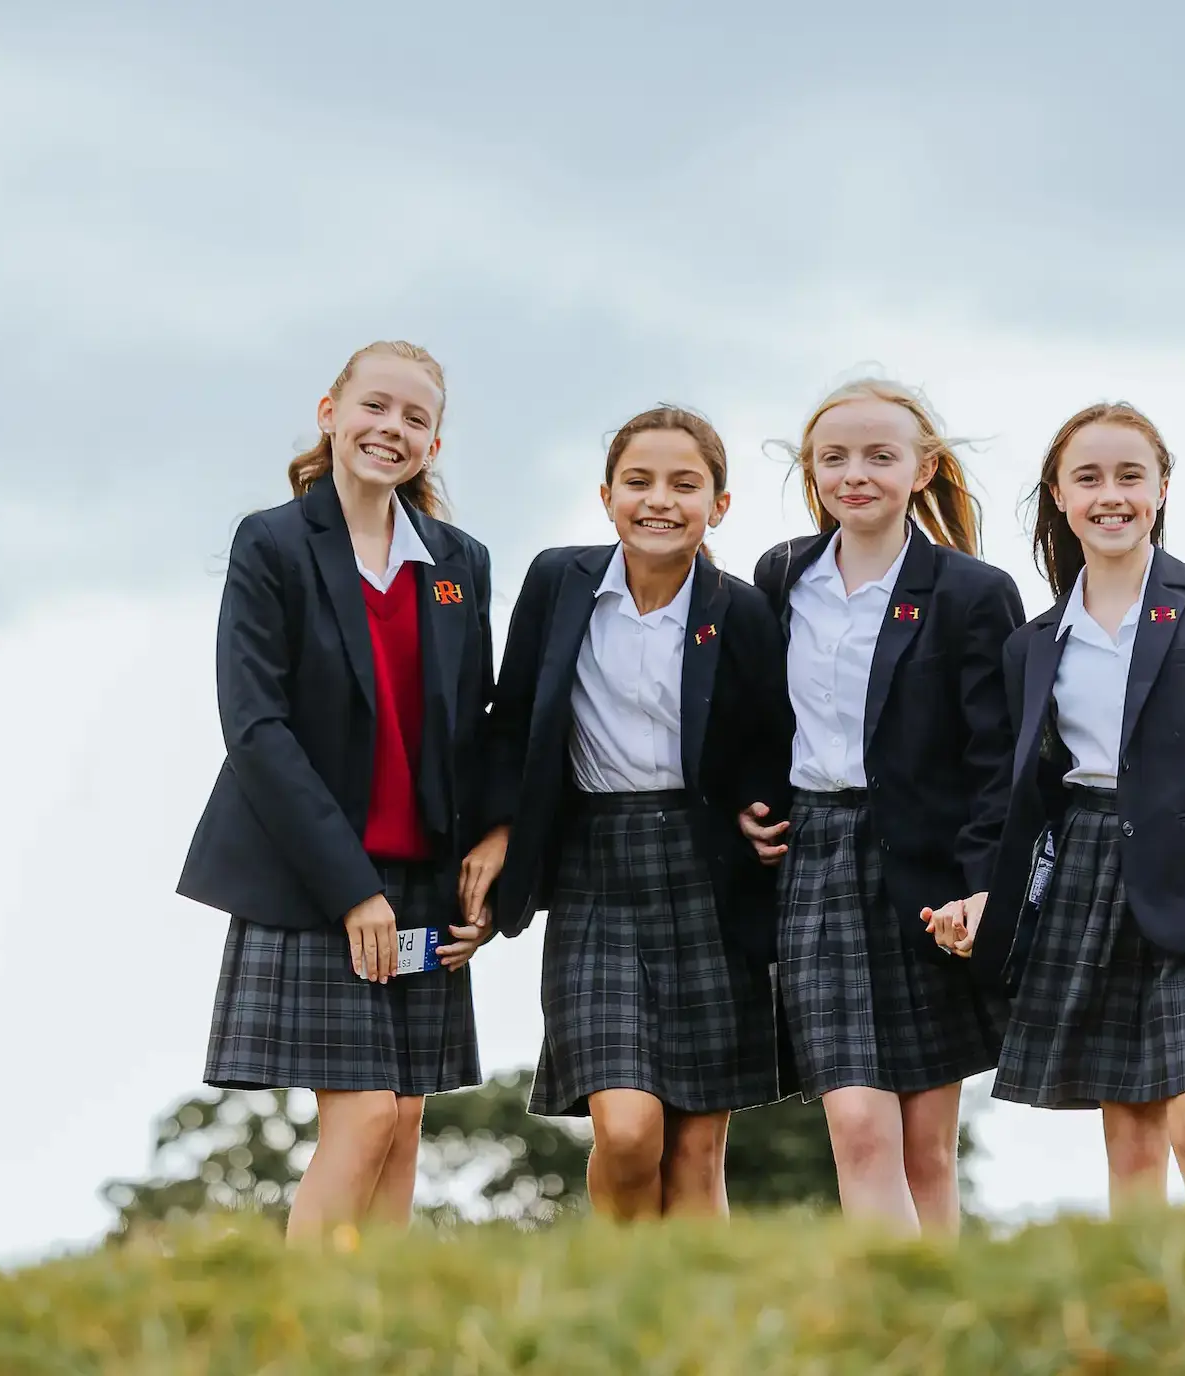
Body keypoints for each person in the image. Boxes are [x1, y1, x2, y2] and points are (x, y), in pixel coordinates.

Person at [931, 401, 1185, 1214]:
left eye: (1129, 476)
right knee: (1133, 1135)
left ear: (1161, 489)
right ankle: (1145, 1304)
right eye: (1088, 478)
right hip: (1087, 875)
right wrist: (986, 894)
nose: (1110, 495)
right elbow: (1026, 796)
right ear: (1059, 495)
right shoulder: (1034, 643)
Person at [176, 340, 496, 1242]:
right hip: (315, 882)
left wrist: (494, 862)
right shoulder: (271, 541)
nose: (392, 429)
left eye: (416, 418)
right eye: (375, 407)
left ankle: (378, 1333)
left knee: (403, 1128)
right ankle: (305, 1332)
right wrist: (352, 887)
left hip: (423, 882)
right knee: (365, 1121)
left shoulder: (459, 562)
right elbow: (256, 730)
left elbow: (478, 725)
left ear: (434, 444)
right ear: (330, 411)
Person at [466, 405, 792, 1220]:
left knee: (694, 1150)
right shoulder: (556, 582)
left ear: (718, 504)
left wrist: (764, 811)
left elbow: (773, 738)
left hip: (707, 873)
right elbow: (513, 723)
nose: (659, 500)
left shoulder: (742, 609)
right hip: (593, 874)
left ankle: (683, 1334)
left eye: (685, 485)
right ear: (607, 494)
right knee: (626, 1130)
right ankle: (615, 1291)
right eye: (639, 482)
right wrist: (501, 828)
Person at [738, 379, 1021, 1234]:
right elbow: (756, 716)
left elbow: (997, 764)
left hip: (929, 874)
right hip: (815, 864)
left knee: (929, 1149)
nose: (855, 474)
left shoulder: (974, 592)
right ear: (811, 471)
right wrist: (750, 807)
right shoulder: (780, 575)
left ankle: (932, 1337)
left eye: (879, 456)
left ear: (922, 468)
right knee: (859, 1125)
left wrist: (982, 889)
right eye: (835, 458)